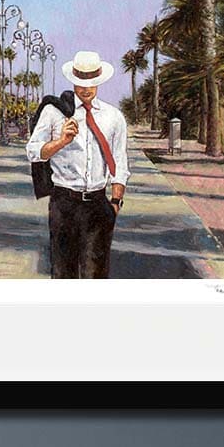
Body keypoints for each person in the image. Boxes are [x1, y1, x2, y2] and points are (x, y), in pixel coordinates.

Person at [25, 50, 130, 278]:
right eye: (80, 82)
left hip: (98, 204)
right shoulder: (54, 112)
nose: (85, 88)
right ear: (72, 80)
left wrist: (115, 202)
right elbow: (33, 152)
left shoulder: (113, 117)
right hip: (64, 204)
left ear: (99, 81)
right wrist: (61, 141)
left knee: (96, 275)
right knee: (64, 274)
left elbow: (120, 162)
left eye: (91, 82)